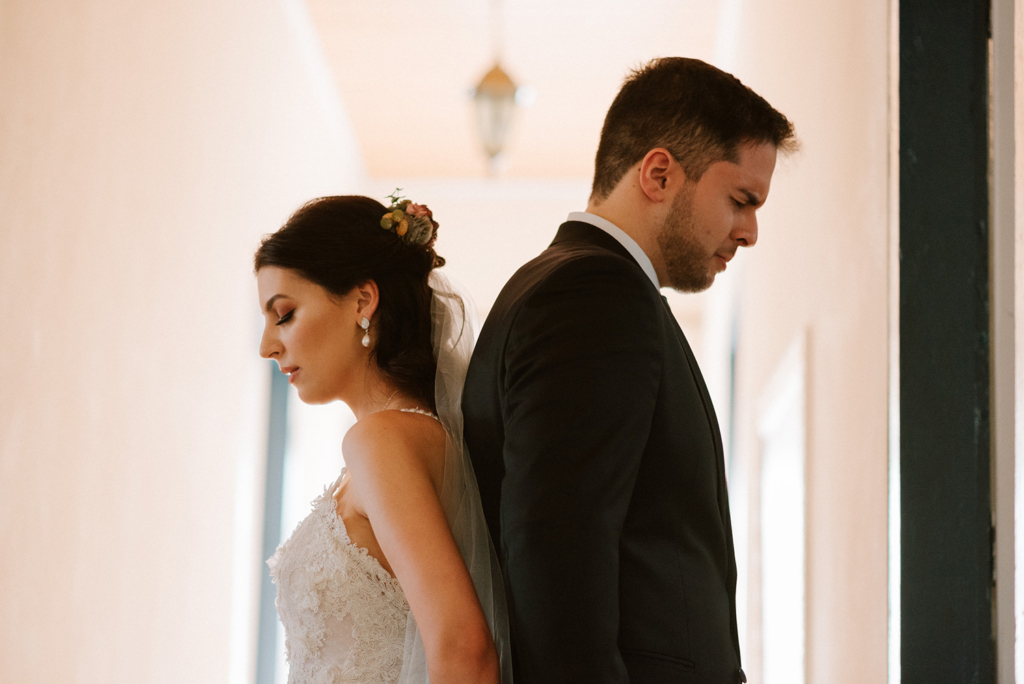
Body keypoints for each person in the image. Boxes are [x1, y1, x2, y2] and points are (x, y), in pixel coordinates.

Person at [462, 57, 797, 684]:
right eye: (740, 200)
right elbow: (557, 560)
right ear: (660, 173)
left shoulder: (579, 287)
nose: (749, 231)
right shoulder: (593, 295)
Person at [255, 194, 510, 684]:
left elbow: (465, 651)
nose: (267, 346)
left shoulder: (380, 441)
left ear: (362, 301)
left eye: (283, 314)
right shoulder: (410, 436)